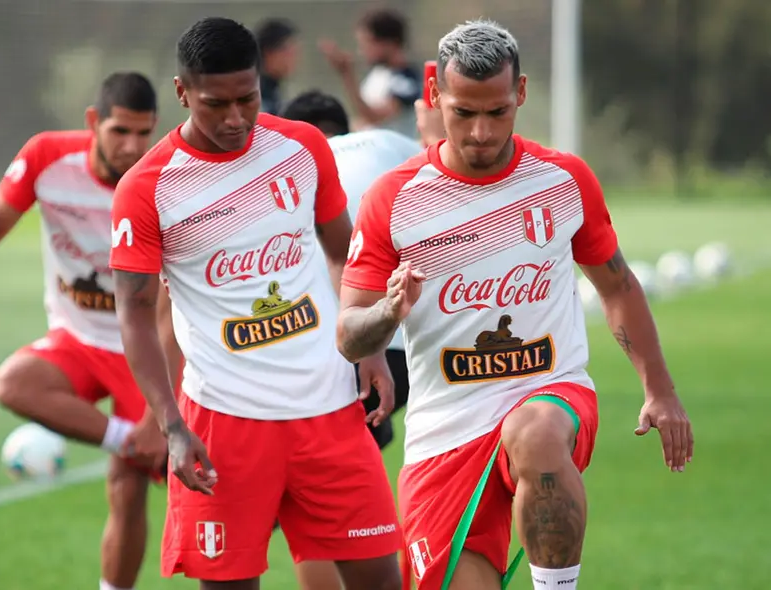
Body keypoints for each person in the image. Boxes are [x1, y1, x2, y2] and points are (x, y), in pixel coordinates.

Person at [336, 19, 694, 590]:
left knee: (536, 433)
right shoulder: (394, 199)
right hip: (445, 433)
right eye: (463, 113)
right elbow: (350, 334)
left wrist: (661, 390)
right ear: (434, 98)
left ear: (520, 94)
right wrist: (388, 312)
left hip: (551, 391)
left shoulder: (562, 180)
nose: (480, 132)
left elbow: (618, 286)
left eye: (497, 112)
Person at [109, 16, 403, 590]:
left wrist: (366, 347)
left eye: (248, 98)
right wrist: (170, 424)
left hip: (330, 412)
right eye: (216, 104)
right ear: (181, 92)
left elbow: (346, 254)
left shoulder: (301, 146)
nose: (236, 117)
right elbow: (135, 313)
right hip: (224, 425)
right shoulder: (147, 188)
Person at [0, 72, 173, 590]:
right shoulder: (46, 158)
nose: (132, 146)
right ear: (92, 122)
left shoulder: (163, 180)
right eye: (119, 131)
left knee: (127, 491)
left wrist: (162, 412)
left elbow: (170, 306)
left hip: (145, 348)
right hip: (77, 339)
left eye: (143, 133)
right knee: (13, 383)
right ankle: (125, 442)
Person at [279, 90, 424, 590]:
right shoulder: (392, 143)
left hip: (354, 346)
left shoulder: (296, 166)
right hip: (430, 338)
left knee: (313, 496)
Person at [319, 7, 421, 137]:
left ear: (389, 43)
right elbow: (365, 122)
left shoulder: (407, 80)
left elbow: (373, 117)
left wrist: (347, 75)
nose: (362, 51)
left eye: (367, 43)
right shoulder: (378, 74)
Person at [255, 18, 300, 116]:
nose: (294, 58)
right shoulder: (255, 92)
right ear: (269, 53)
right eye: (289, 52)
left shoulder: (274, 90)